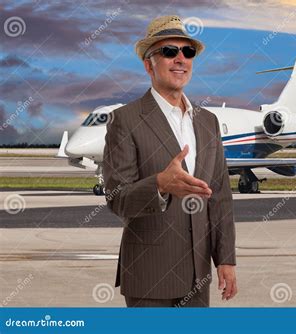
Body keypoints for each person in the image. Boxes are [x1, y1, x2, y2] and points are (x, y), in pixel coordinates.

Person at [103, 15, 237, 307]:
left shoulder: (208, 122)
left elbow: (220, 198)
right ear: (149, 64)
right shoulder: (124, 120)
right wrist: (160, 185)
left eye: (187, 52)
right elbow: (116, 198)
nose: (180, 59)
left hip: (198, 277)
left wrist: (225, 259)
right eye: (169, 51)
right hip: (149, 276)